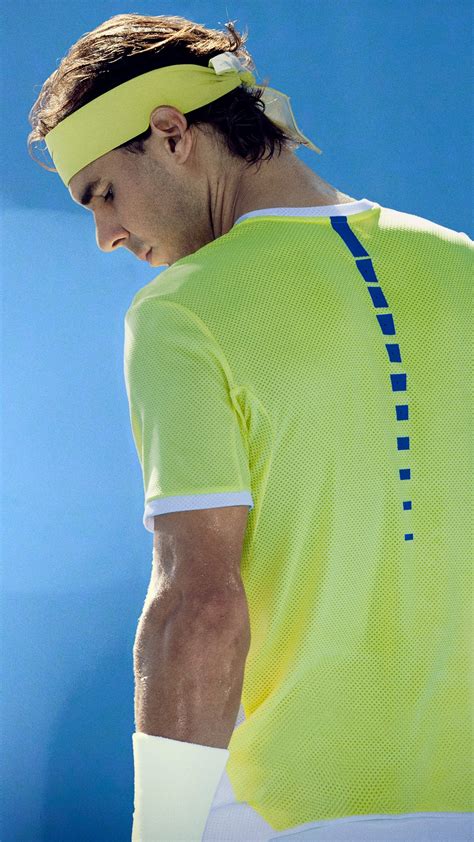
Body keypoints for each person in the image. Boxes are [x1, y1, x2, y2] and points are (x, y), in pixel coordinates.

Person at [28, 13, 473, 842]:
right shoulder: (464, 265)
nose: (106, 236)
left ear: (171, 134)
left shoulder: (181, 310)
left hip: (283, 817)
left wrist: (162, 831)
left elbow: (197, 605)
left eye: (104, 193)